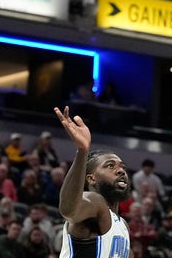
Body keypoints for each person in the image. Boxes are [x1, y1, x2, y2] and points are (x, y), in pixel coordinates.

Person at [54, 106, 132, 258]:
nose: (121, 171)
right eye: (110, 166)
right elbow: (68, 211)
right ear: (91, 178)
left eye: (122, 167)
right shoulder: (93, 202)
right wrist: (82, 151)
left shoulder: (123, 226)